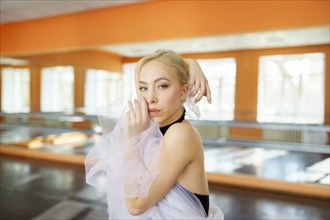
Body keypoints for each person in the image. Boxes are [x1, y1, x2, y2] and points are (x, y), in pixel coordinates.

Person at [85, 50, 223, 219]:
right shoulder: (155, 130)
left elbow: (136, 206)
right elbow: (139, 70)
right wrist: (189, 62)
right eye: (144, 88)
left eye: (162, 86)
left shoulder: (180, 133)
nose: (150, 98)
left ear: (183, 91)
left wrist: (131, 139)